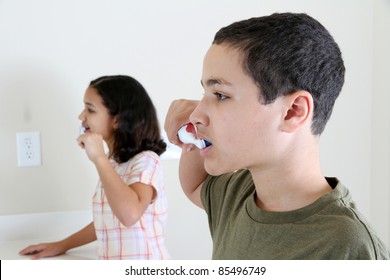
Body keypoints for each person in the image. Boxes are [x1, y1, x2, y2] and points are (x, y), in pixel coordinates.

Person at [164, 13, 390, 259]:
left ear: (293, 112)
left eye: (220, 95)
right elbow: (195, 184)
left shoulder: (347, 248)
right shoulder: (236, 193)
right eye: (204, 93)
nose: (197, 113)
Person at [20, 75, 170, 260]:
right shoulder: (114, 163)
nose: (81, 116)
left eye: (90, 110)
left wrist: (99, 158)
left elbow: (129, 215)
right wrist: (62, 245)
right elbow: (108, 221)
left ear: (118, 120)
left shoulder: (147, 161)